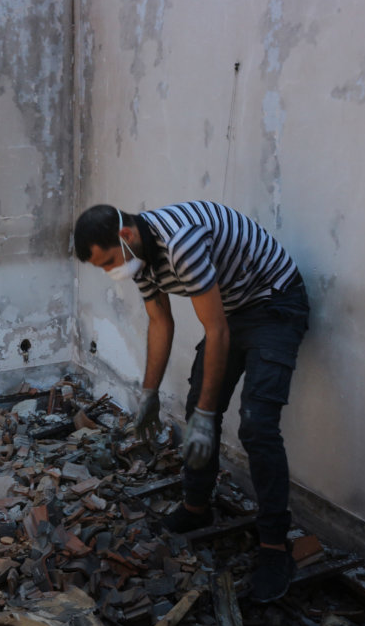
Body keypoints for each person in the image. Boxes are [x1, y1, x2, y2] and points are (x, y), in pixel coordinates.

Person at [74, 201, 309, 603]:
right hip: (235, 308)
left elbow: (216, 331)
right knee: (198, 405)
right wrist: (149, 393)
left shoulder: (180, 243)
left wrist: (205, 412)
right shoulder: (139, 257)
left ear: (125, 235)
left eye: (109, 261)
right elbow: (160, 322)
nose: (112, 271)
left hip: (275, 303)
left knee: (257, 425)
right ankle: (197, 506)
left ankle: (275, 547)